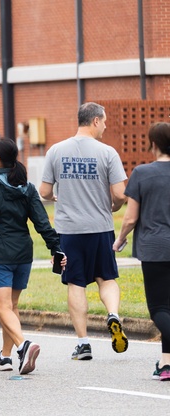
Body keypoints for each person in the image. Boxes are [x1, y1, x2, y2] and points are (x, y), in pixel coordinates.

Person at [40, 102, 129, 360]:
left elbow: (44, 192)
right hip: (100, 228)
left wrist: (58, 197)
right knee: (106, 277)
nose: (106, 126)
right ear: (96, 121)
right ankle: (112, 314)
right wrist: (114, 205)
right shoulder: (108, 152)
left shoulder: (56, 151)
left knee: (76, 282)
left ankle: (83, 343)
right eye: (104, 121)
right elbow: (120, 194)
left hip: (69, 230)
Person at [0, 138, 60, 375]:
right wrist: (56, 248)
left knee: (2, 307)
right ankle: (5, 357)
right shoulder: (27, 186)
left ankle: (23, 346)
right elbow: (42, 223)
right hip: (23, 253)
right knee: (11, 306)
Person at [114, 122, 170, 380]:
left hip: (155, 248)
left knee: (159, 307)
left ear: (153, 144)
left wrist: (120, 240)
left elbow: (130, 218)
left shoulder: (142, 173)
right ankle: (166, 364)